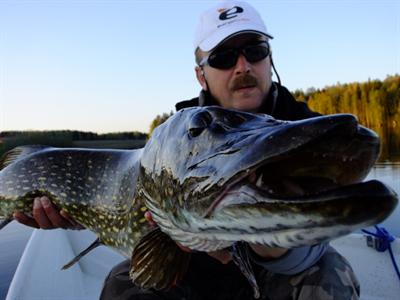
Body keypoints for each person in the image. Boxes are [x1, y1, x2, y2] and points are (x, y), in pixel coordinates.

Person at [15, 1, 360, 299]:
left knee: (330, 274)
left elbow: (315, 235)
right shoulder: (177, 140)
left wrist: (251, 243)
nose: (242, 67)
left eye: (254, 51)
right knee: (123, 287)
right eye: (224, 57)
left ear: (269, 59)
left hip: (278, 270)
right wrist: (77, 212)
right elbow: (136, 232)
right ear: (201, 75)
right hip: (188, 271)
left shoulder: (307, 133)